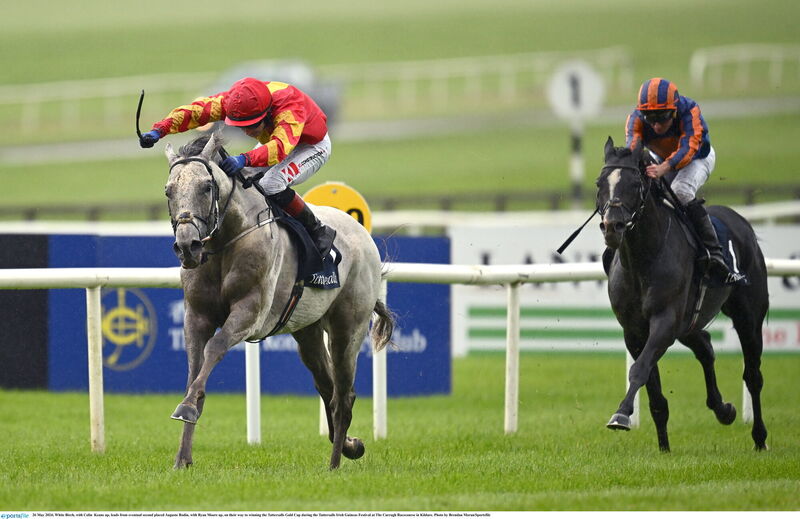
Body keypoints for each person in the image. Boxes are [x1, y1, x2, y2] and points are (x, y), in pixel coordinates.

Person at [139, 77, 336, 261]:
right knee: (246, 182)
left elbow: (280, 148)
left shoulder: (289, 109)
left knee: (271, 184)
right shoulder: (234, 103)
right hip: (276, 139)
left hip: (310, 146)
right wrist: (160, 130)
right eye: (241, 126)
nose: (247, 131)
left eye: (251, 125)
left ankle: (318, 230)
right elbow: (195, 112)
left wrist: (245, 158)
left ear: (267, 114)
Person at [625, 77, 731, 281]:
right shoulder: (635, 119)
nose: (655, 126)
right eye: (650, 117)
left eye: (662, 117)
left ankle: (714, 251)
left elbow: (688, 149)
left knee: (680, 191)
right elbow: (632, 148)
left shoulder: (690, 111)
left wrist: (663, 168)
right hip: (662, 158)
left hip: (697, 157)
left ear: (674, 110)